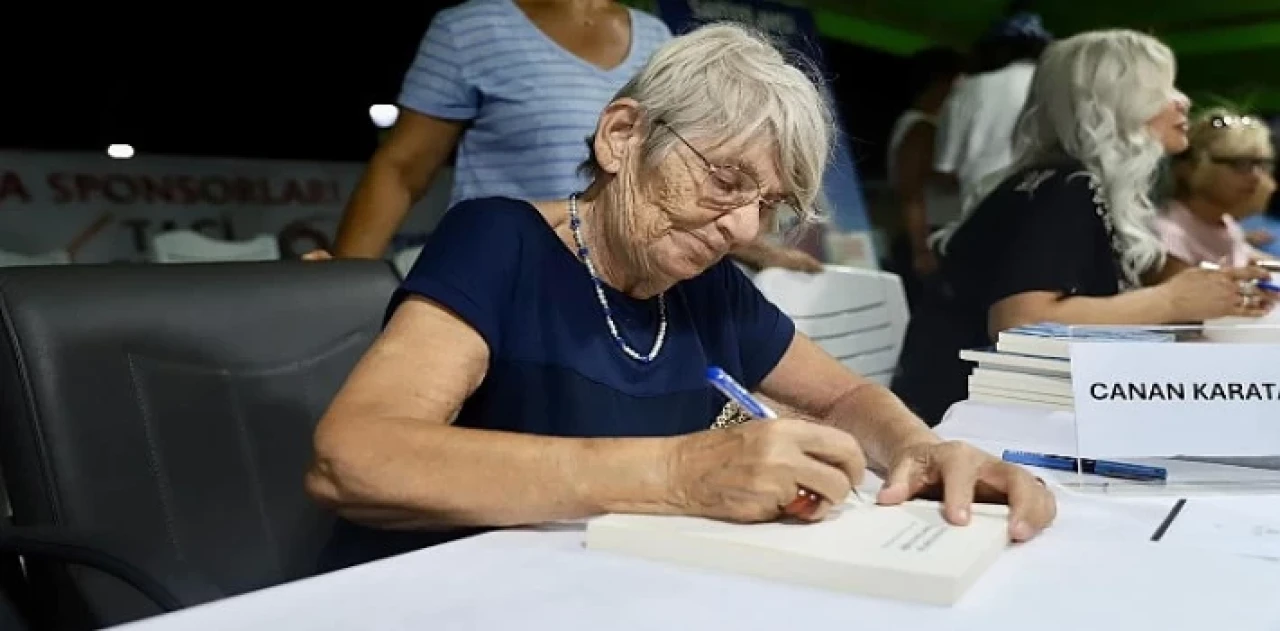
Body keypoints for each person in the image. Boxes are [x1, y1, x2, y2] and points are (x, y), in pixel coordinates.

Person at [305, 23, 1056, 571]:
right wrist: (681, 475)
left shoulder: (705, 283)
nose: (740, 227)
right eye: (726, 180)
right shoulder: (497, 240)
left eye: (767, 204)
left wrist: (920, 450)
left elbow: (841, 397)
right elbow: (355, 457)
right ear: (623, 135)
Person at [891, 29, 1276, 424]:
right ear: (1117, 103)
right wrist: (1172, 302)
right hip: (967, 424)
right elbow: (1022, 321)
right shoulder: (1069, 186)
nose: (1183, 101)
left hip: (966, 409)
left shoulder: (1053, 180)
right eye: (1162, 88)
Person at [310, 0, 822, 273]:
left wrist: (751, 244)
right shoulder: (469, 29)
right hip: (501, 276)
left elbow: (681, 180)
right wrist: (345, 285)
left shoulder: (659, 40)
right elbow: (402, 170)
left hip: (619, 287)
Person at [932, 7, 1052, 217]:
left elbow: (945, 168)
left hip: (980, 210)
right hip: (1044, 208)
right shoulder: (1058, 87)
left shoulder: (968, 90)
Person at [884, 46, 966, 308]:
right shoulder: (921, 128)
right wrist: (921, 249)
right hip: (923, 238)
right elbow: (911, 191)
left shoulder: (926, 126)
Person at [1157, 108, 1276, 266]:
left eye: (1261, 164)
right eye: (1241, 164)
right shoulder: (1169, 234)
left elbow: (1252, 258)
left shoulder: (1224, 223)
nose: (1256, 176)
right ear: (1191, 166)